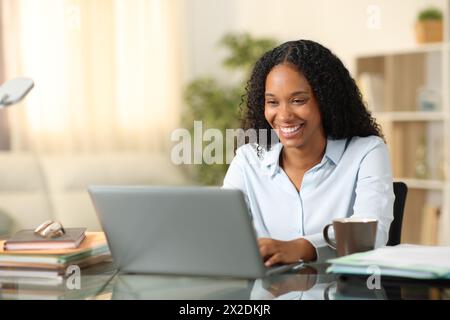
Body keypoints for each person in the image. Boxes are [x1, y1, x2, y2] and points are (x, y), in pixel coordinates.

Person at [222, 39, 395, 266]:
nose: (283, 115)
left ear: (325, 101)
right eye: (272, 102)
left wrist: (301, 248)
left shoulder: (366, 152)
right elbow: (222, 232)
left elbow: (371, 235)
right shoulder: (248, 159)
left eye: (297, 100)